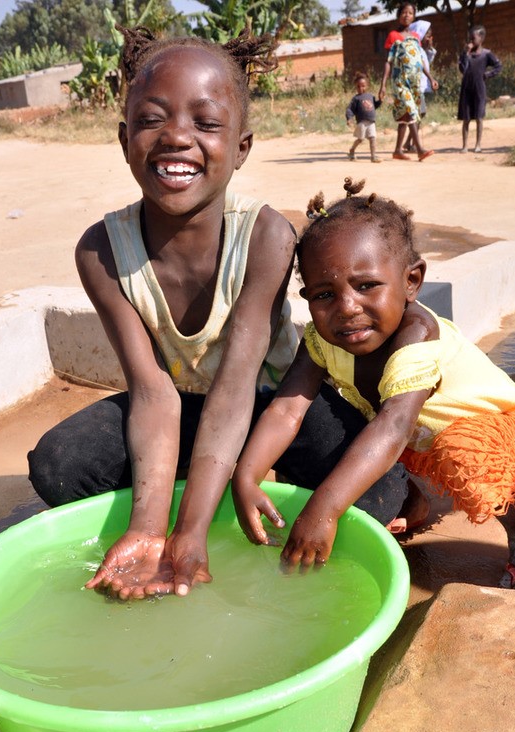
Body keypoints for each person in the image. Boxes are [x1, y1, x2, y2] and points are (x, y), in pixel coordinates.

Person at [28, 28, 411, 600]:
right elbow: (153, 393)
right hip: (175, 408)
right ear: (123, 136)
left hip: (269, 404)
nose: (177, 138)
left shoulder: (265, 236)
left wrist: (193, 532)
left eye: (206, 124)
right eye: (152, 119)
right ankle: (202, 484)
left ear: (242, 147)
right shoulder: (101, 251)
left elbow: (236, 388)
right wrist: (150, 529)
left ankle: (226, 483)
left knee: (380, 496)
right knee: (61, 465)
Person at [232, 177, 515, 589]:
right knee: (373, 437)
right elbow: (287, 408)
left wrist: (323, 509)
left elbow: (393, 427)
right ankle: (416, 503)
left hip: (489, 433)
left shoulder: (416, 335)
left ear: (411, 281)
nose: (347, 308)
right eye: (324, 294)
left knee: (479, 477)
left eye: (366, 286)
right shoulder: (320, 339)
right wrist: (246, 475)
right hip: (418, 434)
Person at [378, 2, 438, 161]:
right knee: (411, 110)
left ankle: (398, 150)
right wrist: (383, 84)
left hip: (415, 83)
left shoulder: (416, 37)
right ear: (399, 15)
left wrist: (431, 78)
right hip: (399, 82)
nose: (407, 15)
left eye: (410, 13)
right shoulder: (393, 35)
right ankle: (419, 150)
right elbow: (388, 61)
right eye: (404, 12)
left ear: (413, 16)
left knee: (406, 116)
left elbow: (420, 60)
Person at [458, 25, 502, 153]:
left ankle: (478, 145)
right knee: (466, 119)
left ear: (481, 38)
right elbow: (462, 69)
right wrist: (465, 53)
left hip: (479, 88)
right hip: (466, 89)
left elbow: (498, 66)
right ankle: (465, 145)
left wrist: (487, 75)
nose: (471, 41)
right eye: (469, 38)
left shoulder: (486, 54)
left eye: (473, 38)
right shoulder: (466, 54)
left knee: (479, 117)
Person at [402, 21, 436, 153]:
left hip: (420, 87)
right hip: (415, 87)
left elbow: (428, 62)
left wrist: (430, 48)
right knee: (418, 113)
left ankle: (408, 142)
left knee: (419, 113)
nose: (429, 38)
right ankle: (411, 143)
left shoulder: (421, 49)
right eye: (427, 36)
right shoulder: (414, 48)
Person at [346, 72, 382, 163]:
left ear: (367, 86)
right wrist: (349, 118)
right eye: (358, 86)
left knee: (372, 138)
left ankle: (373, 156)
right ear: (356, 87)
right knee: (360, 139)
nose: (361, 88)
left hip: (371, 122)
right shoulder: (356, 99)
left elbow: (375, 106)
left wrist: (380, 100)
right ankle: (352, 150)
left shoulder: (370, 96)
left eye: (363, 86)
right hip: (362, 122)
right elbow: (349, 109)